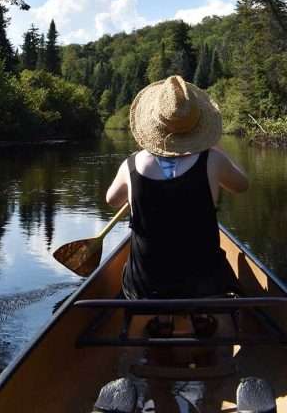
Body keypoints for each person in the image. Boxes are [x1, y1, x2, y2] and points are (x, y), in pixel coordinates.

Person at [106, 75, 248, 301]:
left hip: (144, 288)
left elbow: (111, 200)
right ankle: (202, 317)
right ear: (198, 125)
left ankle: (159, 320)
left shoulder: (131, 165)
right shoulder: (213, 160)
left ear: (153, 123)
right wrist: (219, 150)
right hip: (204, 285)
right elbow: (242, 185)